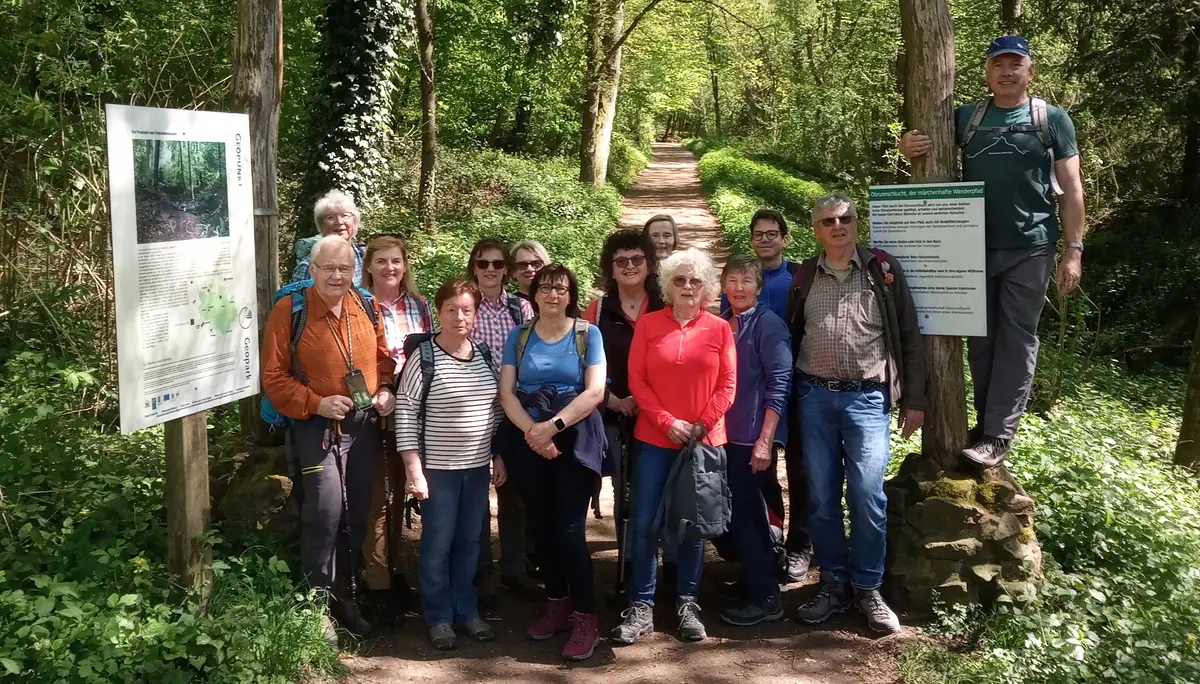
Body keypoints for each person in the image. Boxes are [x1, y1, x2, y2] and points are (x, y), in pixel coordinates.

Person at [898, 35, 1084, 468]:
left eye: (1015, 64)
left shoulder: (1051, 120)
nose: (1006, 71)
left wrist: (1074, 250)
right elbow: (922, 144)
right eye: (998, 64)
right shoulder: (967, 117)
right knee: (981, 344)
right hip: (970, 248)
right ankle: (984, 429)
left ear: (1030, 72)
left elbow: (1072, 190)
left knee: (1017, 342)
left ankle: (999, 434)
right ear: (987, 72)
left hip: (1031, 247)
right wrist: (908, 146)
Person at [787, 193, 925, 635]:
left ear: (857, 224)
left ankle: (868, 587)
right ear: (816, 230)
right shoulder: (805, 275)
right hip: (814, 397)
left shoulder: (881, 272)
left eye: (845, 218)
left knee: (868, 495)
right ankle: (833, 582)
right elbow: (792, 333)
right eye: (828, 221)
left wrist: (914, 399)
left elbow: (908, 334)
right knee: (822, 496)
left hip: (868, 399)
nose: (838, 226)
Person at [261, 235, 396, 639]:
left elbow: (383, 360)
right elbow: (273, 377)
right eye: (328, 268)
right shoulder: (291, 309)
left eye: (344, 268)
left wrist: (386, 390)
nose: (337, 276)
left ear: (355, 270)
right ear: (313, 270)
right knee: (324, 509)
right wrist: (316, 403)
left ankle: (345, 596)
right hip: (316, 426)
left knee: (356, 512)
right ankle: (314, 605)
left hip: (364, 424)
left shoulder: (366, 305)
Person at [612, 247, 736, 645]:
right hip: (654, 439)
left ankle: (687, 602)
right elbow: (637, 380)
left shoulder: (719, 328)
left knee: (693, 527)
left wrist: (699, 426)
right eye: (679, 280)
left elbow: (728, 386)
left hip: (703, 443)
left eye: (694, 281)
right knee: (646, 524)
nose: (686, 286)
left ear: (706, 288)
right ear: (667, 285)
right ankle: (641, 605)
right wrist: (667, 421)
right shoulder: (648, 325)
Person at [497, 264, 607, 661]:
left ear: (570, 294)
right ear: (534, 294)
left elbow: (595, 391)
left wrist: (553, 427)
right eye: (545, 288)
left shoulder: (587, 334)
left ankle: (586, 616)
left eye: (560, 288)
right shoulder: (519, 335)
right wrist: (534, 432)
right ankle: (557, 602)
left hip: (574, 434)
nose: (552, 295)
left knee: (571, 531)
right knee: (541, 528)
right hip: (528, 433)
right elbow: (507, 393)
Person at [396, 278, 506, 650]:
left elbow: (496, 412)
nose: (459, 317)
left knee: (471, 542)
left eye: (466, 310)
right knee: (438, 544)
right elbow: (406, 414)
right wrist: (414, 470)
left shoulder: (486, 355)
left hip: (476, 470)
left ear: (475, 314)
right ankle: (439, 617)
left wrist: (497, 455)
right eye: (451, 309)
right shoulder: (423, 358)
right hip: (438, 471)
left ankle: (467, 612)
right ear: (438, 312)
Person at [718, 208, 813, 582]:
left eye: (772, 233)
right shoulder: (740, 287)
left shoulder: (799, 279)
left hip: (796, 387)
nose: (765, 240)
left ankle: (799, 546)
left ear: (785, 239)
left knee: (801, 473)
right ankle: (769, 544)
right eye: (758, 234)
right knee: (764, 474)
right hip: (758, 394)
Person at [359, 236, 432, 626]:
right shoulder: (357, 305)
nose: (390, 268)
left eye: (396, 261)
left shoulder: (420, 306)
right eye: (382, 261)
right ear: (368, 266)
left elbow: (430, 354)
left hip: (412, 410)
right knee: (377, 497)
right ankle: (376, 584)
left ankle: (395, 571)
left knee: (403, 492)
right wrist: (381, 391)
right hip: (374, 409)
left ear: (405, 266)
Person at [716, 255, 791, 627]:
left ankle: (765, 596)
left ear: (759, 288)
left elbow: (779, 386)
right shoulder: (725, 323)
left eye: (747, 281)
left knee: (745, 515)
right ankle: (756, 579)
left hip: (749, 438)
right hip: (723, 435)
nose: (739, 288)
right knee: (739, 514)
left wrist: (765, 440)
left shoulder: (768, 325)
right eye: (733, 280)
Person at [465, 239, 541, 602]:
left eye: (498, 264)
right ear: (474, 267)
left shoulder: (521, 308)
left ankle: (515, 568)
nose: (491, 270)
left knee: (514, 494)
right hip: (474, 412)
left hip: (513, 411)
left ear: (507, 270)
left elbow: (533, 353)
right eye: (483, 264)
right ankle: (480, 574)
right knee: (477, 495)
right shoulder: (464, 307)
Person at [581, 230, 664, 555]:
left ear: (649, 263)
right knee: (624, 491)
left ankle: (665, 566)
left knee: (661, 489)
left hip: (660, 417)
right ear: (610, 268)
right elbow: (582, 363)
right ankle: (630, 566)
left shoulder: (666, 305)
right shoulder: (597, 312)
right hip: (614, 415)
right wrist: (611, 399)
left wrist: (649, 403)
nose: (630, 266)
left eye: (637, 259)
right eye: (621, 261)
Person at [292, 190, 369, 286]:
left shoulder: (365, 257)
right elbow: (297, 299)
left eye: (345, 215)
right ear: (321, 225)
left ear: (354, 222)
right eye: (330, 217)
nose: (339, 222)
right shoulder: (307, 267)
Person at [511, 240, 551, 309]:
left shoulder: (559, 301)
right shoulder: (508, 306)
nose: (530, 269)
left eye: (536, 264)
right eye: (522, 265)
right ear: (513, 271)